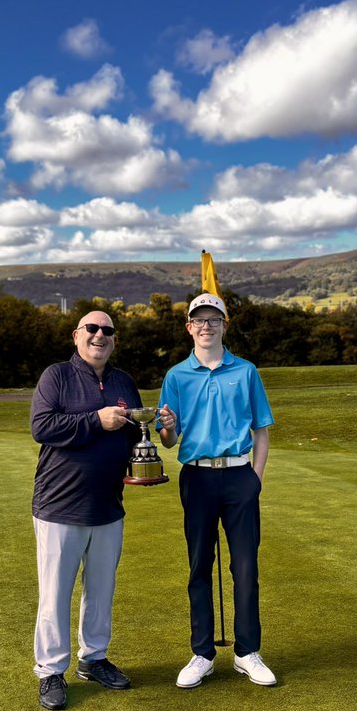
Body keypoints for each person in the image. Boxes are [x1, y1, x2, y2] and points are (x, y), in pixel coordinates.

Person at [157, 293, 277, 689]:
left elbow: (261, 429)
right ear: (189, 328)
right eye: (199, 320)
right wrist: (168, 428)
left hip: (239, 475)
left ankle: (247, 652)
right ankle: (202, 654)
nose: (206, 326)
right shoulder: (176, 376)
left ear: (225, 325)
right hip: (197, 477)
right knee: (199, 566)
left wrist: (256, 478)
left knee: (245, 567)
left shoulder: (246, 371)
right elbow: (169, 440)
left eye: (213, 319)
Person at [30, 310, 143, 711]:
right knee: (55, 593)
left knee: (101, 590)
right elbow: (42, 427)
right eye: (92, 329)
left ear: (114, 339)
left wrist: (158, 429)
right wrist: (96, 420)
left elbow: (136, 434)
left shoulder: (124, 381)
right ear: (76, 335)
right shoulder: (57, 376)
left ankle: (93, 659)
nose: (100, 335)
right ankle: (50, 670)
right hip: (59, 505)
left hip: (108, 505)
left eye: (107, 330)